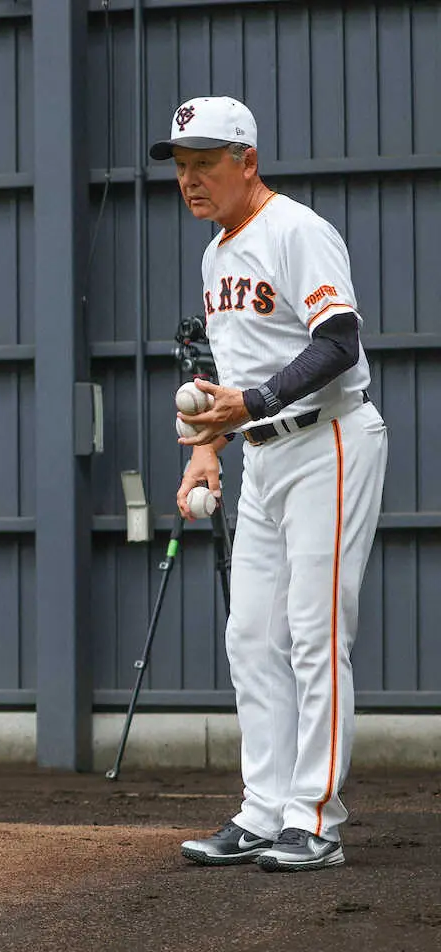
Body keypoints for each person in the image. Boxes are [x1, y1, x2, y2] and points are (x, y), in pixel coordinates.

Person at [151, 96, 388, 871]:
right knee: (251, 633)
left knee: (314, 635)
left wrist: (247, 404)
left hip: (330, 440)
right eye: (182, 167)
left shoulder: (296, 230)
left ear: (247, 162)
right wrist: (206, 448)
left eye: (205, 164)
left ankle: (314, 819)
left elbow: (339, 342)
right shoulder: (215, 256)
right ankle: (261, 811)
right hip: (261, 454)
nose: (190, 180)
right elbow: (227, 374)